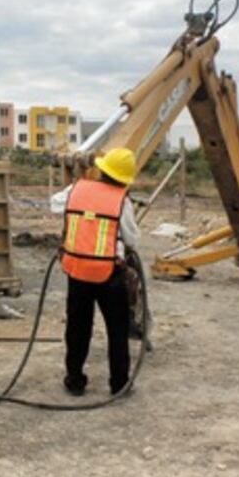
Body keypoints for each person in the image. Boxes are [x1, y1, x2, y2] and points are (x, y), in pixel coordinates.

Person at [56, 147, 140, 396]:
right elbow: (133, 239)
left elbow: (55, 204)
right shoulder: (121, 201)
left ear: (102, 169)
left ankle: (74, 379)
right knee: (117, 329)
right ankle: (119, 383)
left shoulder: (76, 189)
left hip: (77, 269)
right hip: (108, 273)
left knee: (77, 327)